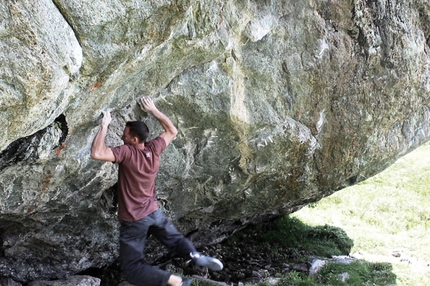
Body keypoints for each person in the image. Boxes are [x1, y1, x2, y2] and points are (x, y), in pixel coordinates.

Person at [90, 96, 223, 286]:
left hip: (134, 220)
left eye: (125, 135)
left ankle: (176, 281)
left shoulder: (128, 153)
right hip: (153, 212)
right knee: (175, 240)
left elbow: (97, 153)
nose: (121, 137)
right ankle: (195, 255)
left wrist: (104, 125)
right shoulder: (153, 149)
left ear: (134, 139)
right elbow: (172, 130)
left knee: (132, 269)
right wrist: (154, 110)